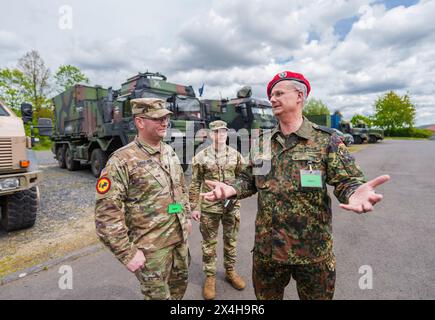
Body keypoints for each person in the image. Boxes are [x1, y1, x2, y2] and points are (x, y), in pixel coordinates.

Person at [200, 71, 390, 300]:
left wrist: (353, 193)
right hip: (267, 251)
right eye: (271, 95)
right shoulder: (262, 142)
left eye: (279, 93)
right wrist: (231, 189)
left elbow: (346, 181)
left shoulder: (326, 139)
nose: (272, 99)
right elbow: (249, 179)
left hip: (312, 253)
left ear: (299, 96)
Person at [94, 98, 192, 300]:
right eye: (158, 118)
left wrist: (186, 215)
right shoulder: (121, 160)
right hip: (151, 252)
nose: (164, 123)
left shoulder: (169, 152)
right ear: (140, 122)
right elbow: (106, 216)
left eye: (166, 118)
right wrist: (127, 254)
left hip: (179, 243)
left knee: (178, 293)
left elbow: (180, 189)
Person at [189, 120, 246, 300]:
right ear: (210, 134)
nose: (220, 135)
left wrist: (238, 197)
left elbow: (243, 179)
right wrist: (193, 207)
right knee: (209, 244)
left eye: (223, 131)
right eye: (216, 132)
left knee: (231, 241)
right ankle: (210, 277)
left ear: (227, 134)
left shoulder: (236, 156)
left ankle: (230, 271)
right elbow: (195, 183)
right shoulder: (201, 157)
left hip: (231, 206)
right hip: (209, 208)